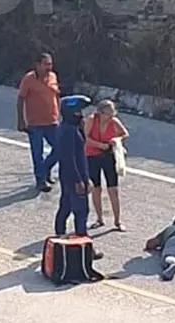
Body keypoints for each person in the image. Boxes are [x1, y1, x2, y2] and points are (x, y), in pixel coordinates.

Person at [55, 94, 102, 259]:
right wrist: (79, 180)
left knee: (65, 207)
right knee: (81, 212)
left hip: (69, 176)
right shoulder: (68, 131)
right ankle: (85, 248)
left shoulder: (70, 128)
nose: (81, 115)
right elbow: (69, 158)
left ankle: (59, 238)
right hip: (74, 177)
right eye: (77, 112)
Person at [17, 53, 60, 192]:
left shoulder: (53, 76)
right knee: (37, 153)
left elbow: (56, 95)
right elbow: (21, 99)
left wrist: (60, 114)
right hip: (35, 123)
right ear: (37, 65)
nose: (49, 67)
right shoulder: (29, 79)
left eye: (50, 64)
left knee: (60, 148)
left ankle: (46, 168)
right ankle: (40, 180)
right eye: (46, 64)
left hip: (52, 121)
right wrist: (21, 120)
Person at [84, 99, 129, 231]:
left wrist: (117, 139)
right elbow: (85, 138)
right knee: (96, 188)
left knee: (113, 189)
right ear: (100, 112)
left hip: (108, 156)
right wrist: (100, 145)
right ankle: (99, 219)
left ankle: (117, 220)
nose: (110, 116)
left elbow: (125, 134)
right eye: (108, 113)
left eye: (112, 113)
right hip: (92, 155)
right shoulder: (91, 120)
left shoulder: (113, 121)